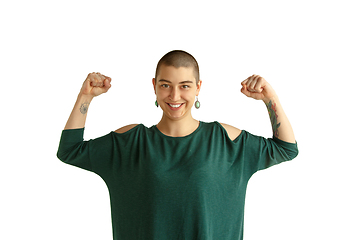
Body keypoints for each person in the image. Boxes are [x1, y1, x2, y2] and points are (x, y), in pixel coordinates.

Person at [57, 50, 298, 240]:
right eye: (165, 85)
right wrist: (85, 97)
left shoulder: (225, 140)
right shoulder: (132, 142)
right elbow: (70, 150)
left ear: (198, 88)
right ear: (154, 86)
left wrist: (270, 98)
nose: (174, 96)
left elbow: (286, 148)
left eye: (184, 86)